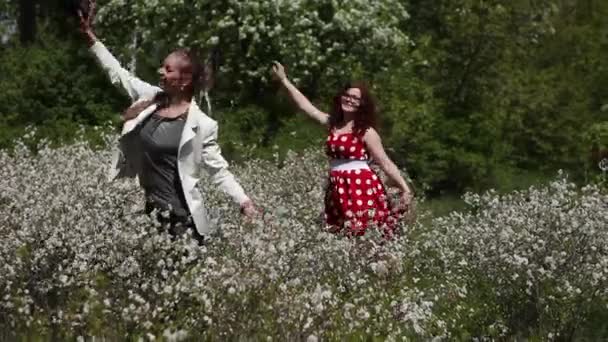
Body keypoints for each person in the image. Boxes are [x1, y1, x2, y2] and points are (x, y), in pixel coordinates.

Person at [78, 2, 256, 242]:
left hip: (182, 222)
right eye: (162, 66)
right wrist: (90, 38)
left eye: (168, 69)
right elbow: (120, 75)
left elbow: (218, 171)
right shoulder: (150, 99)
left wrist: (244, 201)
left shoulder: (203, 125)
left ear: (184, 80)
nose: (160, 71)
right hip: (146, 216)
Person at [272, 62, 413, 237]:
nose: (350, 100)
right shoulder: (333, 124)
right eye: (347, 96)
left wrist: (405, 189)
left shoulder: (366, 132)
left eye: (355, 98)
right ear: (341, 98)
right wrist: (285, 80)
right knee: (342, 236)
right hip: (337, 189)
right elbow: (306, 107)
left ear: (362, 105)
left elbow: (384, 161)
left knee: (364, 234)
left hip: (360, 186)